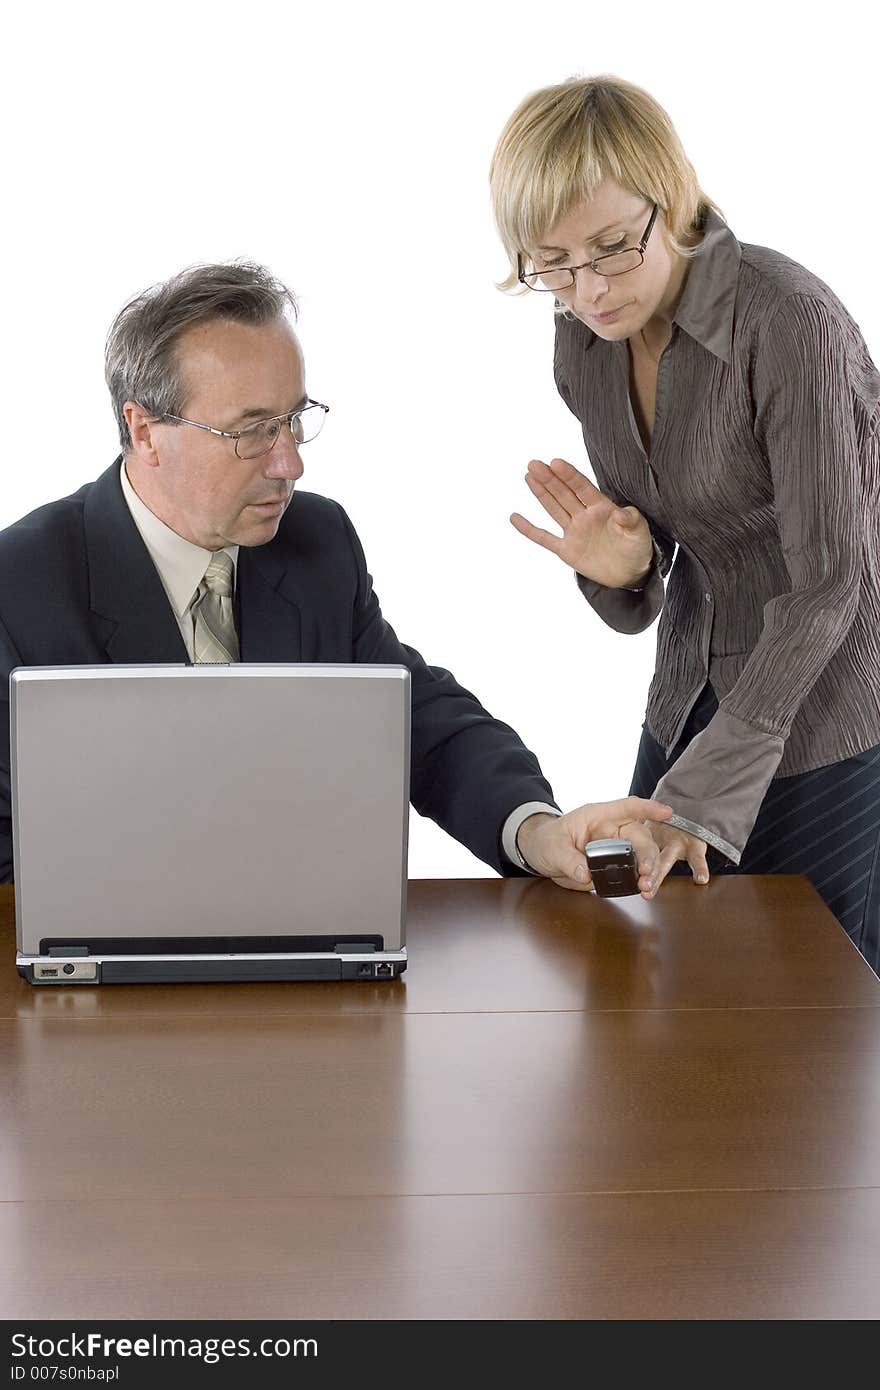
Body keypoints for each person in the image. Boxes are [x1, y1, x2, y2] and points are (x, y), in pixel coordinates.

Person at [0, 261, 673, 893]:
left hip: (301, 959)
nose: (289, 463)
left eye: (295, 418)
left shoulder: (314, 543)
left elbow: (414, 718)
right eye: (253, 430)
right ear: (144, 431)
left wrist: (537, 832)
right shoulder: (20, 587)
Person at [489, 75, 880, 972]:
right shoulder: (583, 342)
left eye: (612, 246)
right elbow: (668, 559)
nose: (586, 288)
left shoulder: (788, 321)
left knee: (807, 1016)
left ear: (673, 198)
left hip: (827, 707)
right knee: (646, 985)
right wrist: (621, 569)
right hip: (688, 696)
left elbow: (831, 584)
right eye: (549, 261)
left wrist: (705, 794)